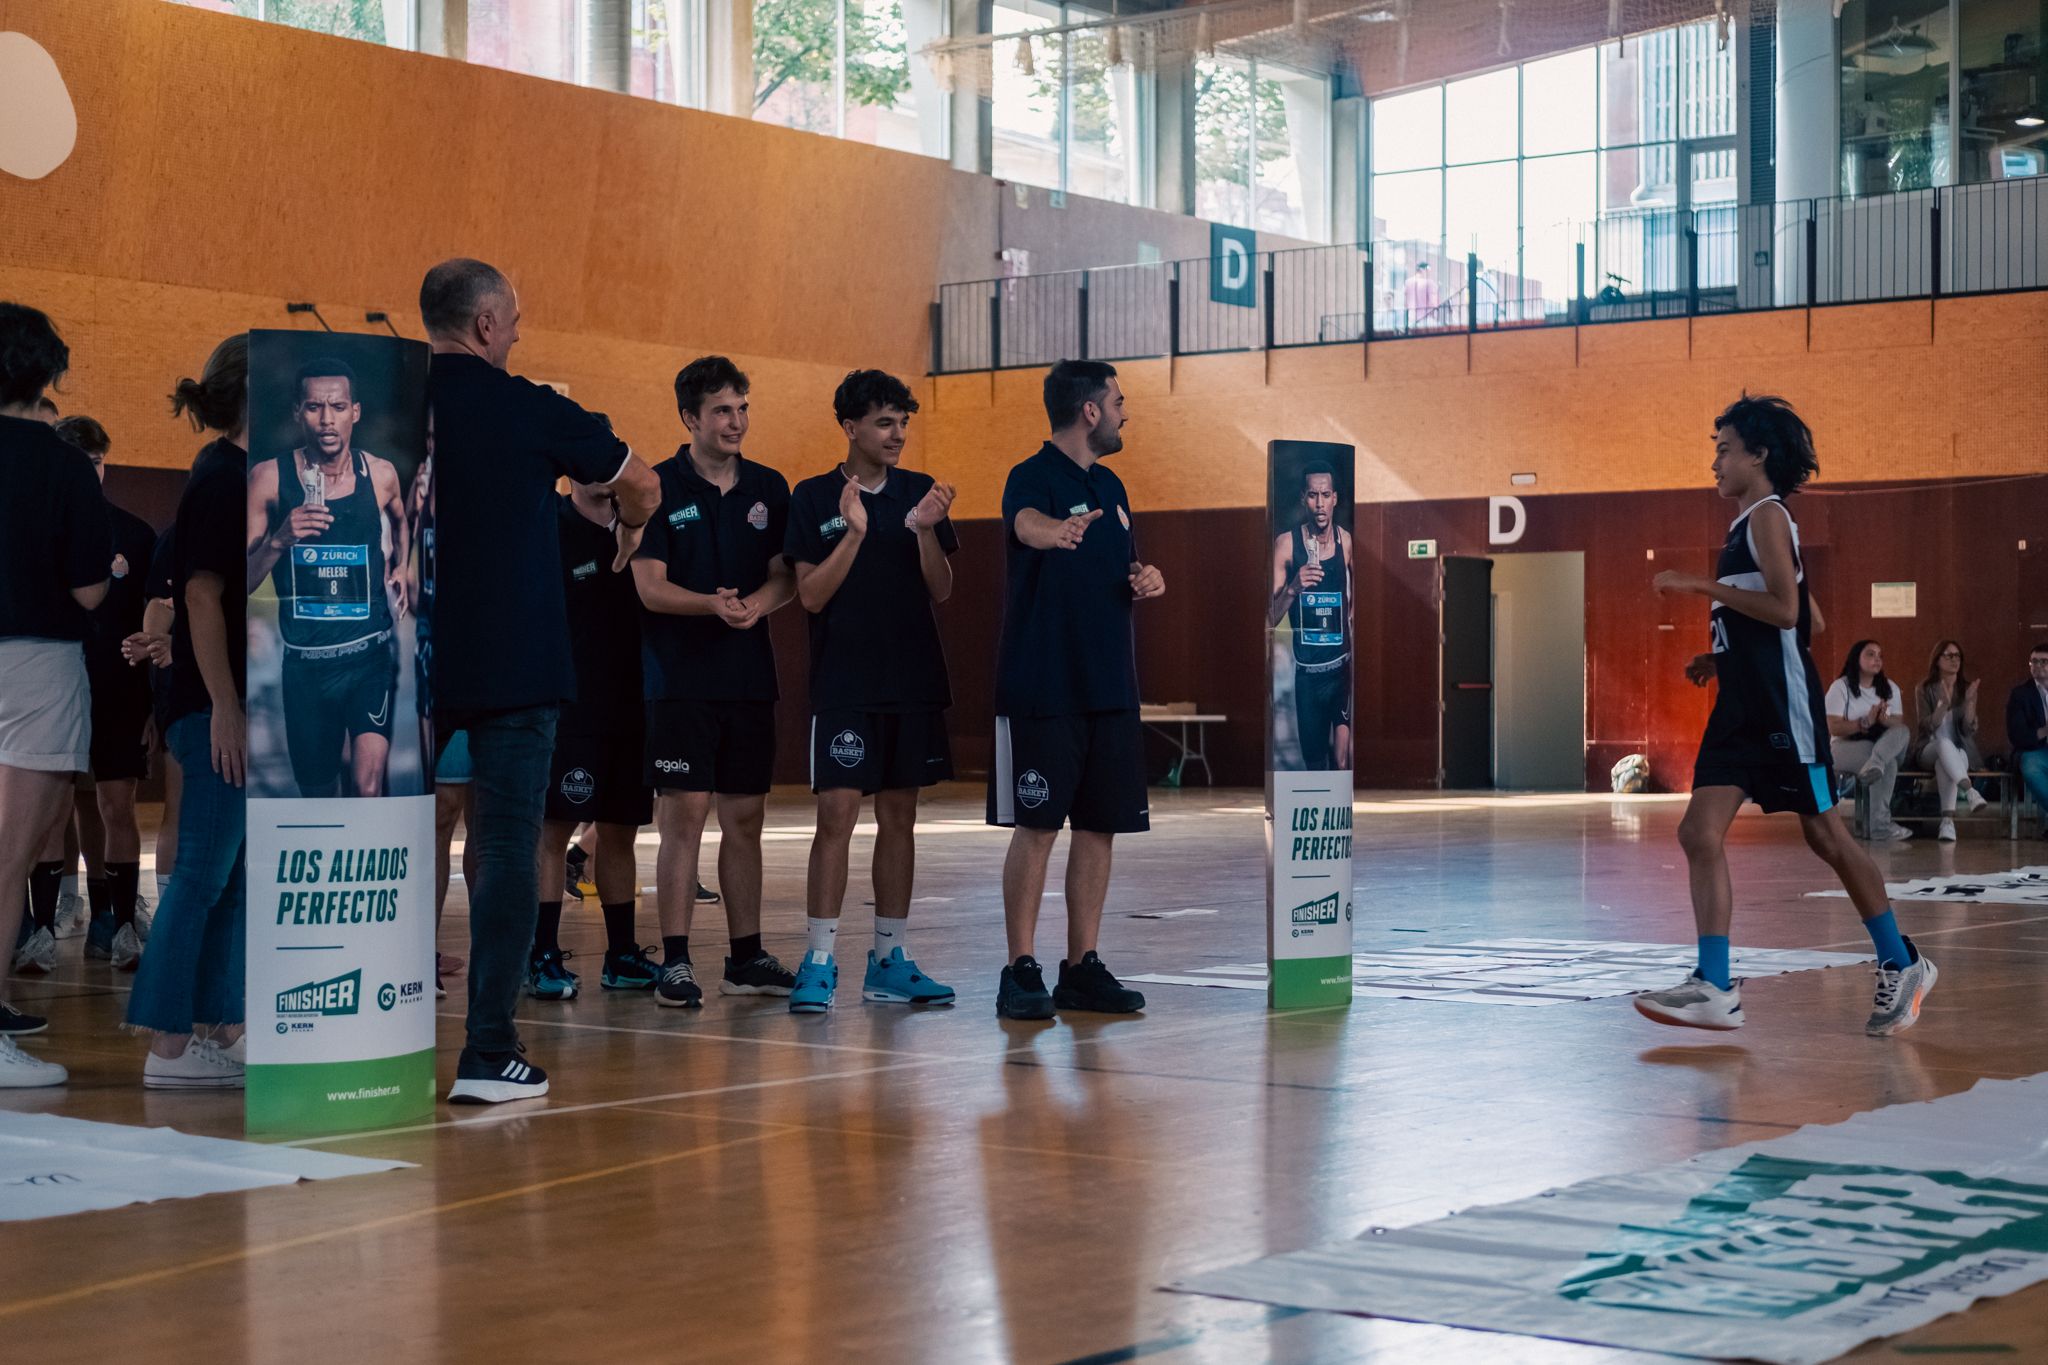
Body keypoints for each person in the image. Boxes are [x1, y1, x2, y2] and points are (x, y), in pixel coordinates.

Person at [421, 257, 658, 1103]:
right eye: (513, 318)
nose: (519, 331)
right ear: (485, 324)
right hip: (515, 660)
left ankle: (372, 1020)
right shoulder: (529, 405)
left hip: (400, 655)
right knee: (508, 845)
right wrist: (628, 531)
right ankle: (488, 1050)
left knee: (388, 833)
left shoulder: (381, 402)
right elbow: (641, 480)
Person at [1636, 394, 1934, 1037]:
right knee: (1697, 832)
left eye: (1724, 450)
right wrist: (1722, 657)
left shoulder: (1770, 515)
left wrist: (1699, 586)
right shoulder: (1749, 525)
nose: (1714, 462)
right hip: (1741, 704)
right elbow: (1811, 618)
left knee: (1825, 835)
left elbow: (1792, 615)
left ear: (1759, 454)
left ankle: (1901, 960)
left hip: (1782, 709)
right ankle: (1714, 986)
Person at [988, 359, 1165, 1021]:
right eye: (1118, 400)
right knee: (1038, 826)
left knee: (1100, 827)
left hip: (1110, 688)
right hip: (1045, 687)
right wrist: (1051, 532)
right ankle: (1020, 967)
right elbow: (1024, 523)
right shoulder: (1030, 477)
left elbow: (1122, 564)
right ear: (1089, 410)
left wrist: (1144, 578)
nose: (1125, 411)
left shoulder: (1113, 485)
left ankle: (1080, 966)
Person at [783, 370, 960, 1015]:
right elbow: (809, 595)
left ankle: (889, 958)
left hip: (912, 681)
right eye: (885, 422)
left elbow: (940, 590)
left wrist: (923, 531)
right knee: (836, 818)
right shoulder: (812, 497)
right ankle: (820, 958)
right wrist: (853, 531)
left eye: (903, 423)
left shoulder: (922, 495)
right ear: (851, 426)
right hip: (845, 685)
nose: (897, 434)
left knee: (900, 817)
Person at [632, 356, 798, 1009]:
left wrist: (759, 602)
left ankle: (745, 955)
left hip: (748, 678)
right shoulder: (659, 486)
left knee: (746, 818)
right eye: (723, 410)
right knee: (685, 816)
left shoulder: (769, 485)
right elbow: (648, 586)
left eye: (743, 408)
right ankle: (674, 961)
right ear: (690, 417)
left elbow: (787, 574)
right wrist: (712, 604)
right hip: (680, 679)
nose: (737, 421)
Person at [124, 335, 253, 1089]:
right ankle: (168, 1045)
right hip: (213, 710)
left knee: (227, 875)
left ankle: (218, 1025)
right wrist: (226, 709)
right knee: (202, 871)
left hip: (226, 705)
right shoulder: (219, 480)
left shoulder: (243, 477)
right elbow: (200, 597)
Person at [0, 302, 109, 1087]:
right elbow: (91, 590)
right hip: (36, 664)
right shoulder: (63, 463)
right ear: (45, 373)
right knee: (6, 865)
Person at [245, 358, 409, 798]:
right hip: (305, 666)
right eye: (315, 407)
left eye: (337, 407)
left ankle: (367, 865)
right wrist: (280, 541)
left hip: (368, 658)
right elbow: (241, 580)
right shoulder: (267, 478)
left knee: (367, 786)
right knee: (316, 793)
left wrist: (402, 567)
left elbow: (401, 517)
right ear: (299, 411)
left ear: (355, 411)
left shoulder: (381, 473)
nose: (326, 419)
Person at [530, 468, 662, 1000]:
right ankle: (540, 954)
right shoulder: (550, 527)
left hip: (631, 705)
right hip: (571, 706)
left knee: (619, 830)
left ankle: (622, 955)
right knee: (554, 830)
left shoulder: (641, 529)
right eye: (592, 470)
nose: (605, 481)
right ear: (569, 475)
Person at [51, 416, 160, 967]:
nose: (91, 470)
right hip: (57, 685)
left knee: (117, 804)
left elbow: (156, 621)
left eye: (98, 460)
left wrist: (151, 702)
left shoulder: (136, 535)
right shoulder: (38, 527)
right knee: (59, 808)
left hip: (119, 693)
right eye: (81, 461)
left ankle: (117, 922)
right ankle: (58, 917)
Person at [1268, 459, 1353, 771]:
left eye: (1326, 494)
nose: (1320, 503)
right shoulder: (1286, 545)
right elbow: (1270, 619)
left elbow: (1352, 601)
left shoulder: (1346, 542)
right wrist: (1293, 587)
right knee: (1314, 763)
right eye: (1313, 495)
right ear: (1303, 498)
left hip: (1342, 671)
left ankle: (1339, 818)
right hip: (1307, 674)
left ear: (1335, 498)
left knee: (1342, 762)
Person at [1824, 638, 1911, 842]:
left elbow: (1897, 725)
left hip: (1882, 747)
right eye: (1870, 654)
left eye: (1880, 656)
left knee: (1903, 731)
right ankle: (1879, 827)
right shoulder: (1840, 687)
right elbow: (1833, 727)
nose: (1877, 659)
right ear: (1857, 658)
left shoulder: (1890, 688)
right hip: (1845, 746)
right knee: (1886, 766)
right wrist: (1864, 722)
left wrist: (1883, 720)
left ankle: (1876, 764)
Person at [1914, 639, 1986, 842]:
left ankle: (1947, 823)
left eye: (1957, 656)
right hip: (1928, 748)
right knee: (1943, 745)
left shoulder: (1966, 688)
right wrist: (1942, 707)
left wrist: (1971, 703)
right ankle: (1970, 790)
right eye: (1949, 655)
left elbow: (1967, 730)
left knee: (1945, 762)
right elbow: (1925, 726)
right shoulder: (1924, 688)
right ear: (1937, 660)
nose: (1954, 660)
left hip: (1959, 751)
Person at [2007, 643, 2048, 838]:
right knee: (2030, 765)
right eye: (2034, 661)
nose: (2038, 665)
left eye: (2044, 661)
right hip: (2036, 751)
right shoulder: (2020, 694)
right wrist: (2044, 731)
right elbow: (2017, 735)